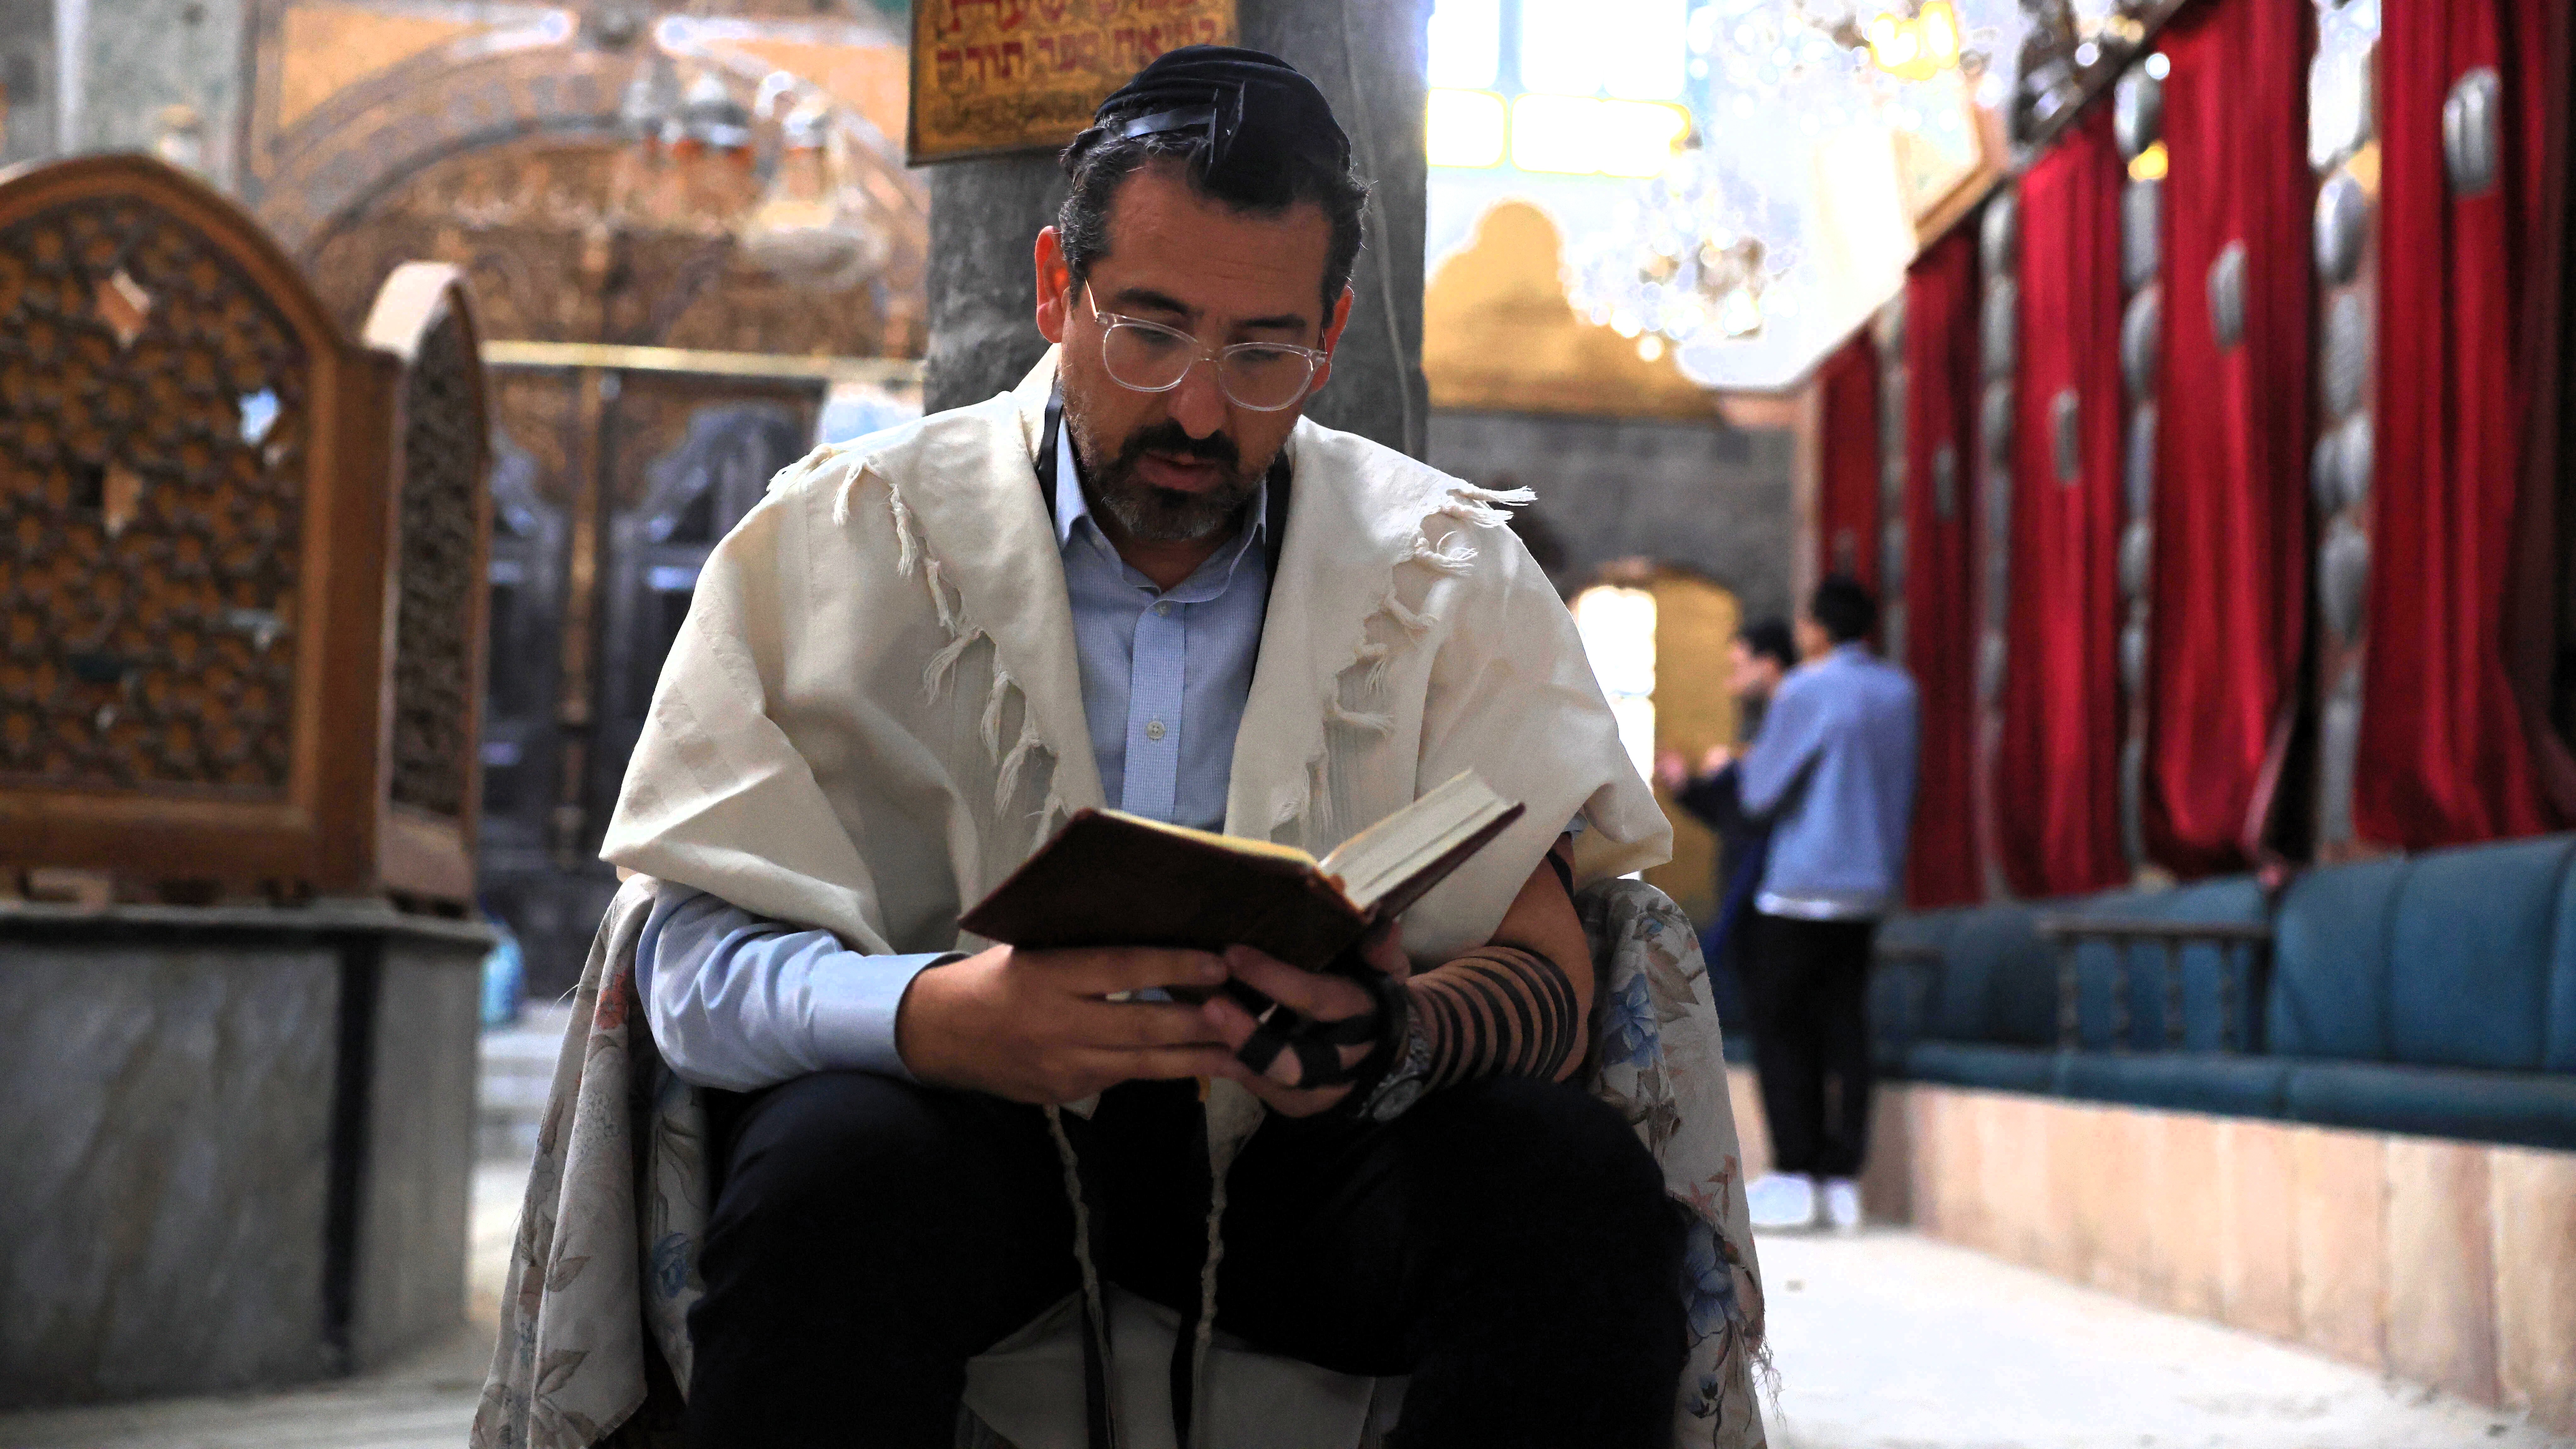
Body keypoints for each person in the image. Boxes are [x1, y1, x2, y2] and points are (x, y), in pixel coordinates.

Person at [600, 47, 1687, 1448]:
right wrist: (940, 1017)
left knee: (1569, 1188)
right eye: (1149, 332)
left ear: (1331, 333)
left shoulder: (1442, 568)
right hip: (952, 1126)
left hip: (1306, 1158)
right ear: (1057, 287)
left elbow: (1549, 973)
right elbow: (686, 972)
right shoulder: (847, 536)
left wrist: (1390, 1032)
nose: (1196, 409)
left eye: (1262, 352)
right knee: (826, 1178)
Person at [1729, 577, 1918, 1234]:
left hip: (1803, 884)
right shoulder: (1900, 690)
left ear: (1813, 628)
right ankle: (1842, 1181)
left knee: (1782, 1026)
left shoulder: (1807, 688)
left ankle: (1794, 1172)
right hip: (1869, 883)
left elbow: (1759, 792)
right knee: (1846, 1026)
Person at [1654, 617, 1797, 1037]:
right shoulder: (1758, 723)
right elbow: (1737, 817)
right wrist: (1688, 788)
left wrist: (1736, 768)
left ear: (1768, 665)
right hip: (1750, 887)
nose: (1730, 684)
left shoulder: (1793, 716)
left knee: (1779, 1028)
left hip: (1775, 891)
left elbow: (1767, 812)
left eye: (1737, 668)